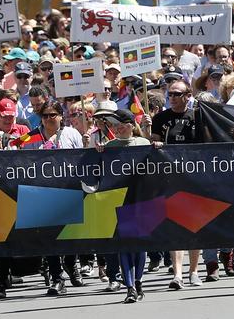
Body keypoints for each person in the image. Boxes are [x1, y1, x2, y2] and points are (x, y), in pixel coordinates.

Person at [12, 100, 83, 296]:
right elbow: (17, 156)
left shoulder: (72, 134)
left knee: (69, 236)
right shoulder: (31, 136)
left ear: (61, 116)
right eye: (45, 116)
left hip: (68, 189)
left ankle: (70, 264)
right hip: (41, 191)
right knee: (49, 237)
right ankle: (57, 278)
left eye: (53, 115)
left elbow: (82, 158)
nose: (49, 119)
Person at [150, 80, 203, 289]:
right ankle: (178, 274)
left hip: (193, 177)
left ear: (187, 95)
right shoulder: (160, 118)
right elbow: (153, 141)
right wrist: (154, 140)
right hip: (169, 177)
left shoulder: (197, 117)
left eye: (176, 94)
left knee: (193, 224)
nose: (171, 97)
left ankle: (194, 271)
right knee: (175, 224)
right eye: (169, 94)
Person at [100, 109, 150, 303]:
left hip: (142, 201)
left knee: (140, 246)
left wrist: (159, 146)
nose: (118, 127)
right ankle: (129, 288)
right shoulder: (109, 146)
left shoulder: (143, 143)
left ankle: (138, 282)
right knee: (124, 246)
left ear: (131, 124)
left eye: (121, 123)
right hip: (119, 201)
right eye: (114, 124)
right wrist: (94, 149)